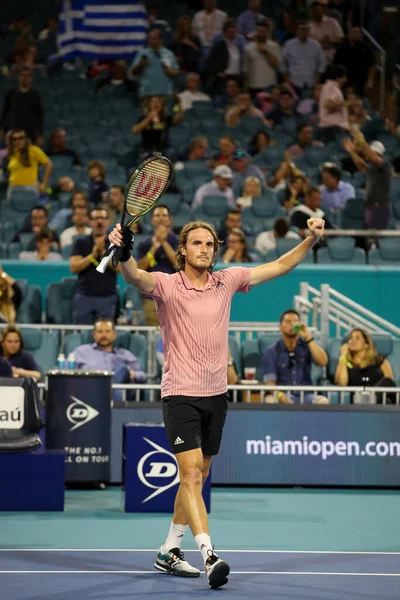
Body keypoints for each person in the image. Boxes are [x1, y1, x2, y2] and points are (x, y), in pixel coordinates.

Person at [107, 209, 325, 588]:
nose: (205, 249)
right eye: (197, 243)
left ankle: (168, 551)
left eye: (210, 244)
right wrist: (124, 252)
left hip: (216, 394)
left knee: (198, 476)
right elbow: (134, 276)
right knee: (190, 474)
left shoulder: (227, 281)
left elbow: (278, 266)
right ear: (184, 249)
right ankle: (209, 554)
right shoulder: (167, 285)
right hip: (180, 394)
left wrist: (309, 241)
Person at [263, 309, 329, 404]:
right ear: (280, 327)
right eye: (288, 322)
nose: (292, 324)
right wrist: (281, 396)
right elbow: (270, 383)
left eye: (295, 322)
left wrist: (308, 337)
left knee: (323, 401)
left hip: (306, 395)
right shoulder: (272, 351)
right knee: (270, 400)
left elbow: (323, 362)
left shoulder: (307, 345)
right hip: (283, 394)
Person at [74, 318, 146, 401]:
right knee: (117, 390)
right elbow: (69, 370)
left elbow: (142, 375)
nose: (104, 335)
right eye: (100, 331)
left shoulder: (124, 354)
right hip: (90, 389)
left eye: (107, 331)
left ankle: (105, 393)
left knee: (122, 370)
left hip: (121, 392)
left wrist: (133, 374)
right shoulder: (81, 352)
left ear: (114, 334)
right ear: (94, 334)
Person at [69, 207, 119, 324]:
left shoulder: (115, 243)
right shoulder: (81, 243)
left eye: (102, 218)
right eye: (96, 218)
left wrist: (102, 253)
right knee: (81, 332)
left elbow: (119, 269)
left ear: (108, 221)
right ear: (90, 222)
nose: (99, 221)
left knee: (106, 334)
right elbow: (74, 267)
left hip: (108, 297)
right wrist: (92, 255)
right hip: (84, 297)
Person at [137, 206, 179, 326]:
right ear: (152, 220)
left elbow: (178, 265)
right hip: (151, 298)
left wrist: (164, 242)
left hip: (174, 297)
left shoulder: (177, 241)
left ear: (170, 219)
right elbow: (140, 269)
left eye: (164, 215)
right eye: (157, 215)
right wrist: (154, 248)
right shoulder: (144, 243)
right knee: (154, 336)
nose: (161, 218)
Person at [342, 136, 392, 230]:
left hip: (380, 207)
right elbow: (361, 165)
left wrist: (361, 140)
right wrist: (352, 152)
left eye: (374, 153)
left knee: (377, 237)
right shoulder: (372, 168)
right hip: (371, 206)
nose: (369, 155)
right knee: (370, 236)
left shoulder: (385, 165)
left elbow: (374, 158)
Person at [334, 328, 395, 403]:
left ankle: (371, 398)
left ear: (366, 344)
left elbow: (390, 384)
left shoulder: (379, 360)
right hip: (357, 399)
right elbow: (342, 383)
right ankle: (368, 400)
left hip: (379, 400)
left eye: (357, 338)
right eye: (350, 338)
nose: (352, 341)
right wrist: (343, 355)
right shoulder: (344, 362)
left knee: (387, 385)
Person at [131, 29, 179, 101]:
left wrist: (168, 69)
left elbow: (176, 73)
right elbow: (133, 72)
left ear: (160, 40)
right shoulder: (142, 53)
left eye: (154, 39)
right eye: (150, 39)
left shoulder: (169, 54)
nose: (151, 41)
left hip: (165, 94)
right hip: (147, 94)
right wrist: (140, 64)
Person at [0, 67, 44, 144]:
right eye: (23, 75)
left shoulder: (35, 95)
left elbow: (39, 116)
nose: (25, 78)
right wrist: (2, 129)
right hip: (14, 130)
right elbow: (5, 112)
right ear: (19, 77)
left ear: (31, 78)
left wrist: (39, 135)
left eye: (27, 76)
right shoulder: (11, 93)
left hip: (30, 132)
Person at [6, 128, 52, 197]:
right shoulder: (12, 153)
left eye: (20, 138)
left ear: (25, 139)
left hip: (29, 186)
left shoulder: (33, 149)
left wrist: (44, 184)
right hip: (13, 186)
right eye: (15, 139)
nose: (18, 141)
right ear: (11, 141)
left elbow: (49, 164)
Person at [243, 20, 281, 98]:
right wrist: (245, 89)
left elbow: (276, 65)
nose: (261, 34)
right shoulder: (248, 47)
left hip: (269, 86)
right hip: (253, 87)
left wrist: (266, 52)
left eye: (263, 32)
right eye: (259, 31)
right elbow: (245, 69)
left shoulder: (274, 46)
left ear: (267, 32)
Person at [318, 64, 349, 143]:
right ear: (338, 78)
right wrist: (347, 103)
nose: (346, 79)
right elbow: (328, 104)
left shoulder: (333, 87)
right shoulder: (330, 87)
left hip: (335, 127)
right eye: (344, 77)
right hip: (331, 127)